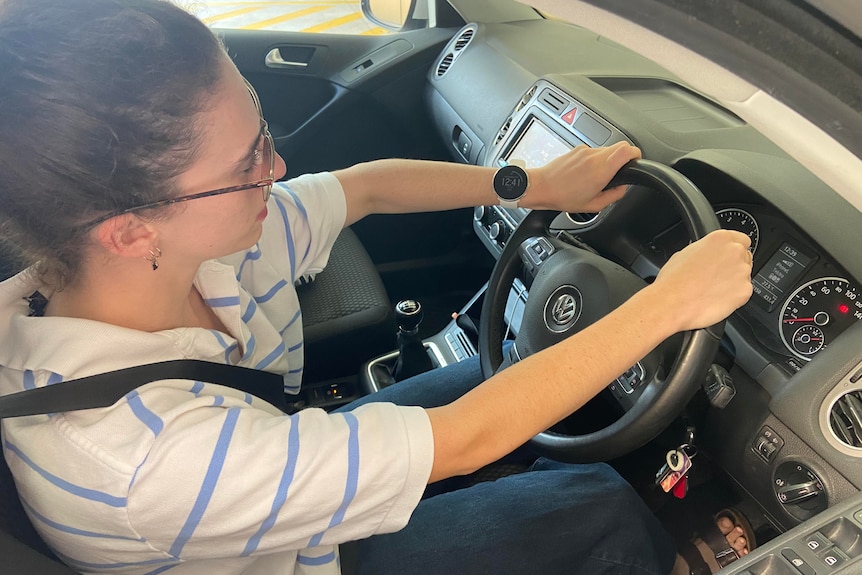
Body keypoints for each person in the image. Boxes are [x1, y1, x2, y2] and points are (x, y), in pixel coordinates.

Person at [0, 1, 753, 574]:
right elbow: (464, 440)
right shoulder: (143, 457)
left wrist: (537, 184)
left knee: (514, 371)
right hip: (293, 557)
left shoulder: (192, 252)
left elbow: (363, 189)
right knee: (598, 509)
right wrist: (670, 304)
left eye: (262, 132)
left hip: (266, 473)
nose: (278, 168)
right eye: (245, 166)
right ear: (132, 231)